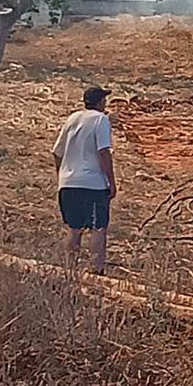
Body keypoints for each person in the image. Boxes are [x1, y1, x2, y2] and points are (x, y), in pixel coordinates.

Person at [52, 87, 117, 273]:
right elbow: (103, 151)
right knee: (98, 227)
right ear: (100, 103)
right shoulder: (101, 120)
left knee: (74, 227)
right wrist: (111, 181)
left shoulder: (72, 119)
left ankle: (69, 269)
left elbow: (57, 152)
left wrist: (62, 174)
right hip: (93, 184)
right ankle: (96, 269)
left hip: (68, 183)